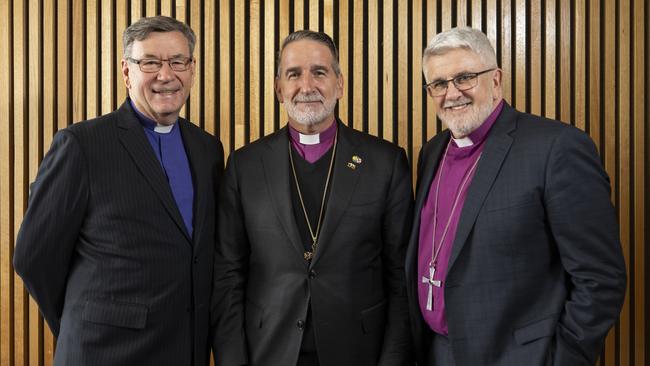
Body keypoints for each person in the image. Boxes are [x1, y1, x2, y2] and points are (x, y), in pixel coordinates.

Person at [405, 26, 626, 366]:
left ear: (495, 80)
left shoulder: (555, 148)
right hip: (436, 353)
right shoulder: (432, 152)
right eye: (438, 84)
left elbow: (600, 279)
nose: (452, 93)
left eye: (465, 77)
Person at [13, 16, 223, 365]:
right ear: (127, 72)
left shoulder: (208, 150)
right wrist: (81, 322)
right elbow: (33, 257)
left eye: (177, 62)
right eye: (150, 63)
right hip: (103, 351)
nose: (165, 75)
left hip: (184, 352)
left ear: (192, 69)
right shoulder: (82, 145)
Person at [211, 30, 413, 366]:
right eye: (294, 74)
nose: (307, 86)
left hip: (359, 352)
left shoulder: (386, 163)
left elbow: (400, 279)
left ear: (340, 84)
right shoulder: (245, 166)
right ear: (279, 88)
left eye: (319, 72)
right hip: (270, 351)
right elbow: (228, 276)